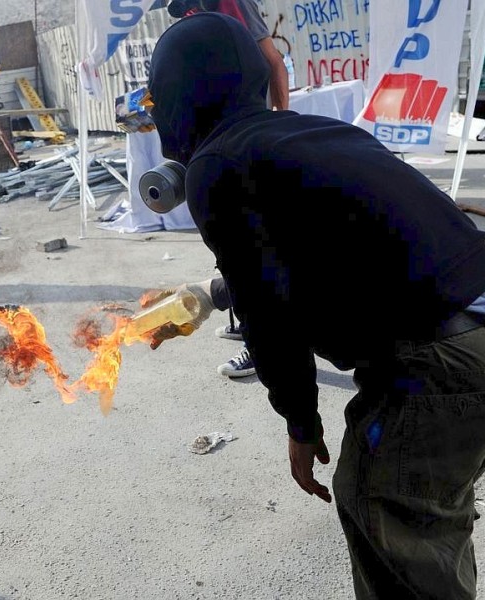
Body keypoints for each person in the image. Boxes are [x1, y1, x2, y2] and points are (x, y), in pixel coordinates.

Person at [144, 13, 485, 599]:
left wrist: (301, 423)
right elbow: (318, 253)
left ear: (177, 99)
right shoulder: (308, 134)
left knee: (388, 504)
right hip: (473, 329)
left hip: (440, 363)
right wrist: (207, 293)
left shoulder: (215, 165)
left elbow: (269, 319)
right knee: (422, 513)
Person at [168, 0, 291, 378]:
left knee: (252, 247)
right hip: (219, 138)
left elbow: (273, 60)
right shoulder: (189, 10)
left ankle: (263, 345)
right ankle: (244, 322)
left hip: (246, 138)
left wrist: (280, 121)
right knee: (229, 243)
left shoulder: (230, 1)